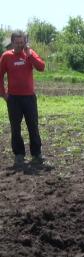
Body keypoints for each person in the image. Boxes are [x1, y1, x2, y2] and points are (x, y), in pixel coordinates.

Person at [0, 30, 45, 166]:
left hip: (29, 98)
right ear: (12, 43)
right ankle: (19, 155)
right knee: (15, 127)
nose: (20, 45)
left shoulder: (30, 54)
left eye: (22, 42)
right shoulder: (6, 56)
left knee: (33, 126)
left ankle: (36, 155)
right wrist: (3, 94)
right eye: (17, 42)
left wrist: (30, 55)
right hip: (13, 99)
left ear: (25, 42)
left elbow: (41, 67)